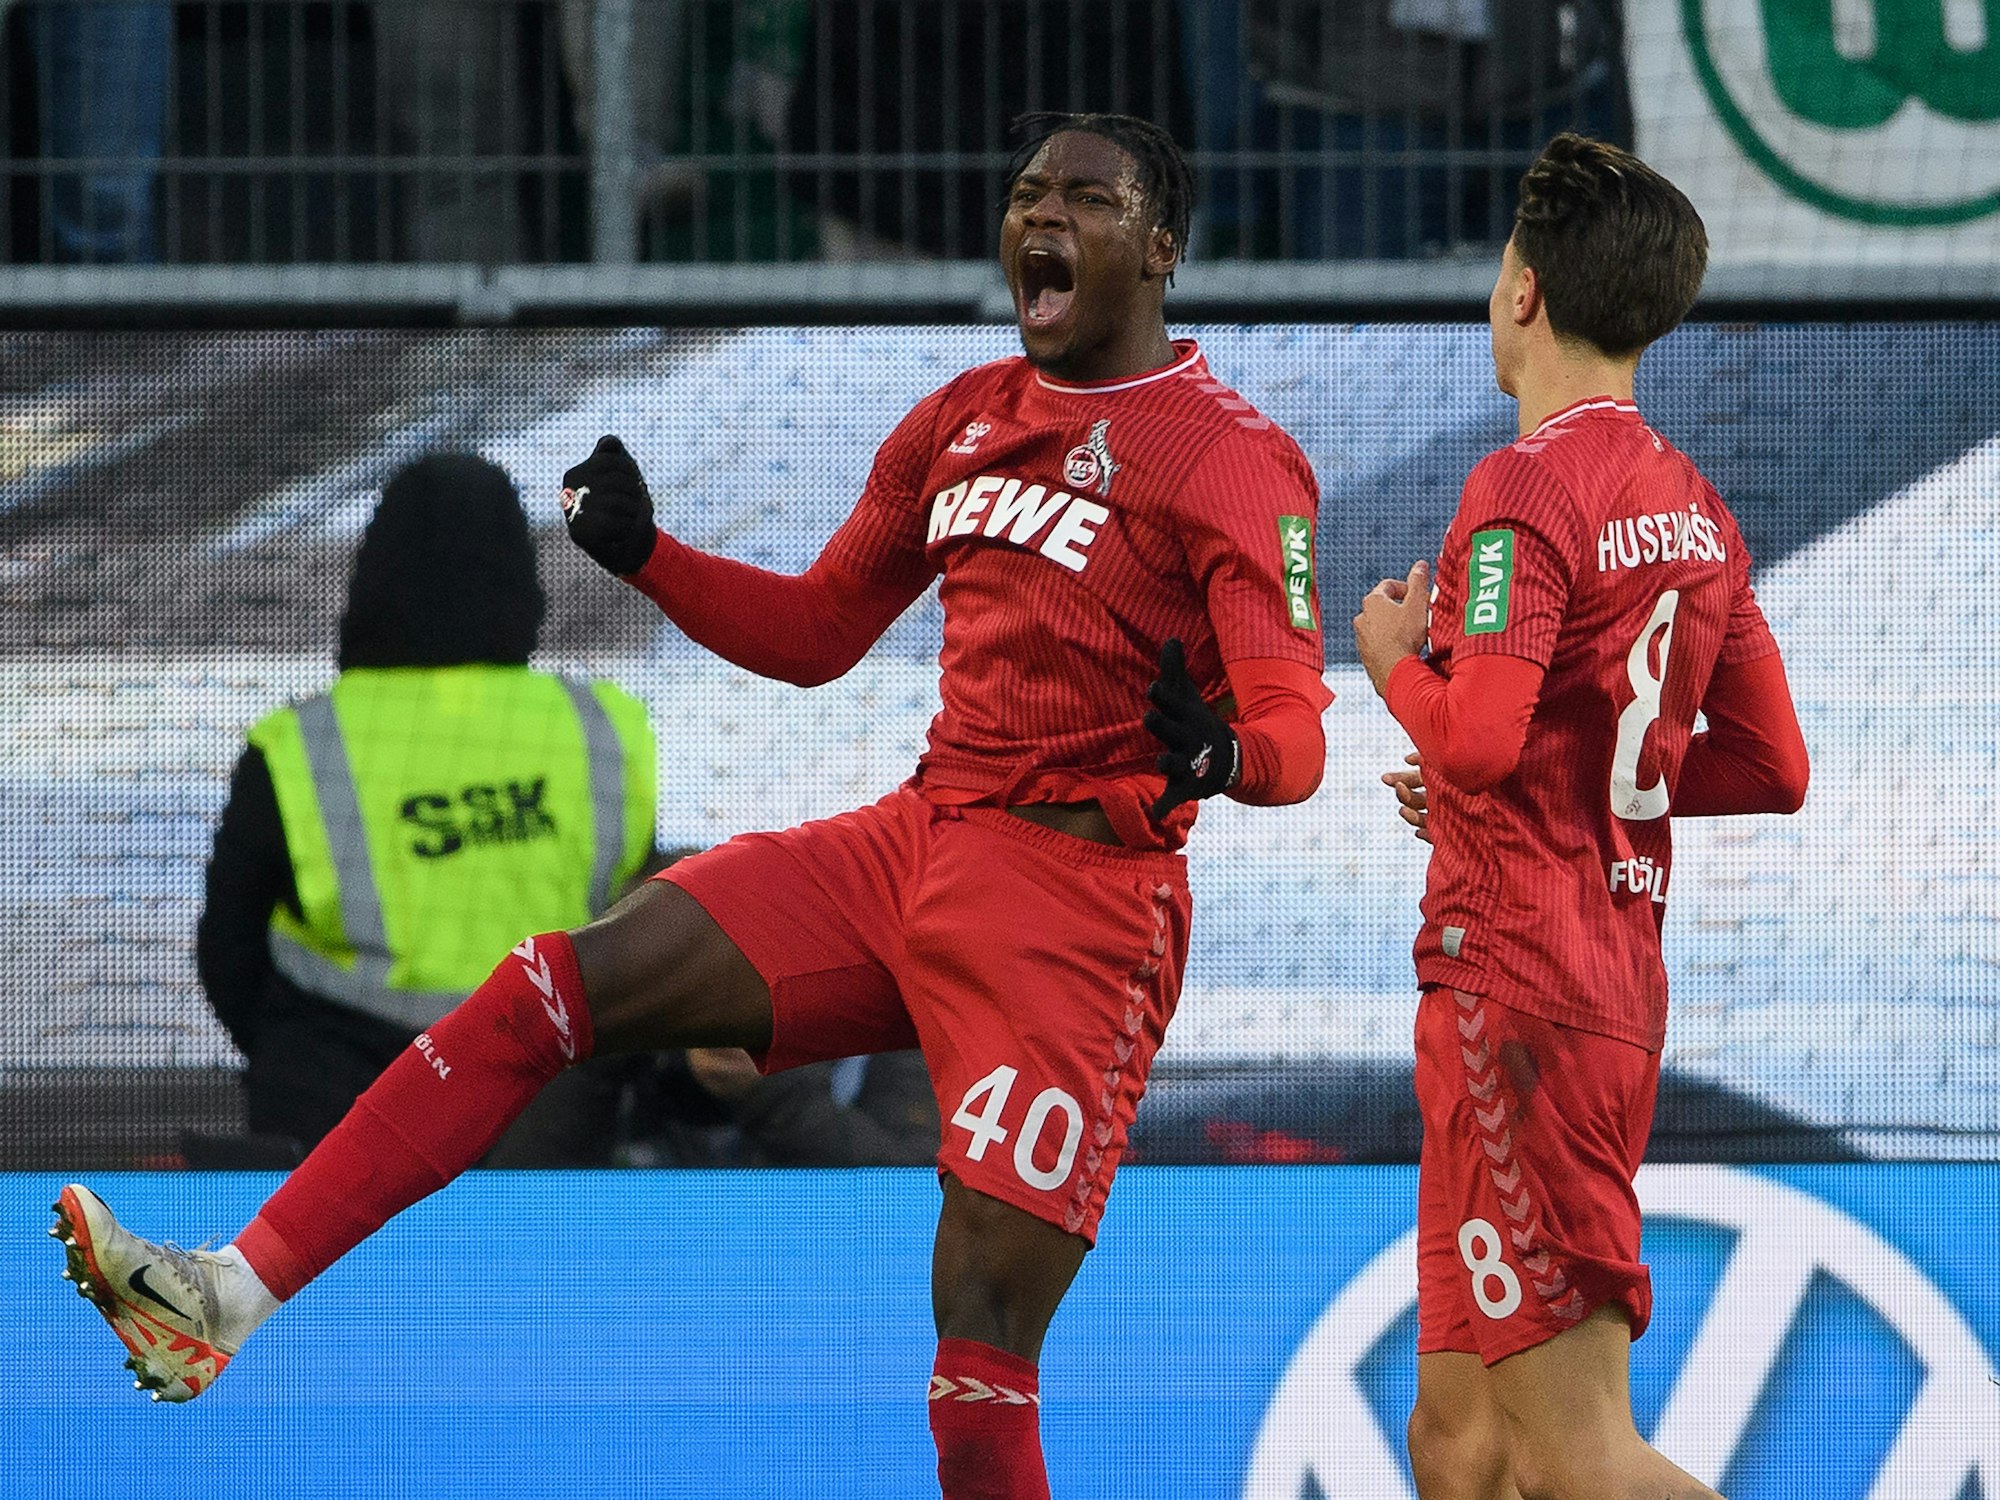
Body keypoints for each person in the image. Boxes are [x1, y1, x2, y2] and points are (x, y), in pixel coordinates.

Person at [52, 111, 1332, 1499]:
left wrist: (1221, 758)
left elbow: (1292, 733)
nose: (1043, 218)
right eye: (1028, 193)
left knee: (978, 1368)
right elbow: (820, 630)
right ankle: (220, 1302)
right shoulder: (960, 418)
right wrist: (649, 555)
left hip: (1077, 917)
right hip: (918, 844)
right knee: (556, 984)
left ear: (1158, 250)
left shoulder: (1227, 457)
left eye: (1085, 199)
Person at [1351, 133, 1809, 1500]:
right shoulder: (1695, 509)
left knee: (1574, 1457)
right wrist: (1551, 786)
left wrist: (1392, 663)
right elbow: (1772, 765)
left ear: (1524, 293)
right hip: (1601, 984)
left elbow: (1478, 740)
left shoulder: (1522, 488)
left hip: (1515, 989)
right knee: (1462, 1448)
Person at [192, 451, 659, 1169]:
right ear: (518, 580)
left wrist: (298, 1057)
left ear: (376, 577)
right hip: (540, 1118)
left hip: (338, 1113)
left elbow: (227, 944)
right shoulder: (600, 726)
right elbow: (642, 925)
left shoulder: (307, 739)